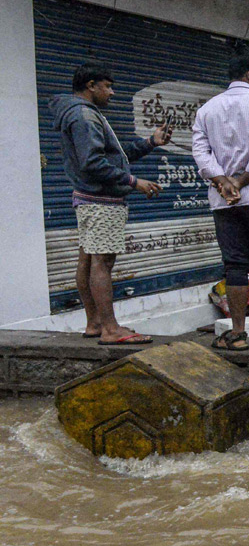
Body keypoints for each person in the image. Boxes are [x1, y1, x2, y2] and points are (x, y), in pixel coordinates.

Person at [51, 62, 171, 345]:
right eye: (107, 86)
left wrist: (150, 142)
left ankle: (94, 323)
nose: (112, 93)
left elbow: (113, 155)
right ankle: (110, 329)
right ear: (91, 85)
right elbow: (93, 163)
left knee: (89, 260)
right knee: (102, 262)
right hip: (101, 200)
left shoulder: (83, 114)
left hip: (89, 198)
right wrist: (133, 182)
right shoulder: (84, 116)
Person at [192, 47, 249, 350]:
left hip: (224, 202)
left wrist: (222, 181)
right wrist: (241, 181)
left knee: (235, 266)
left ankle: (237, 333)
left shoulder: (206, 110)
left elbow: (201, 153)